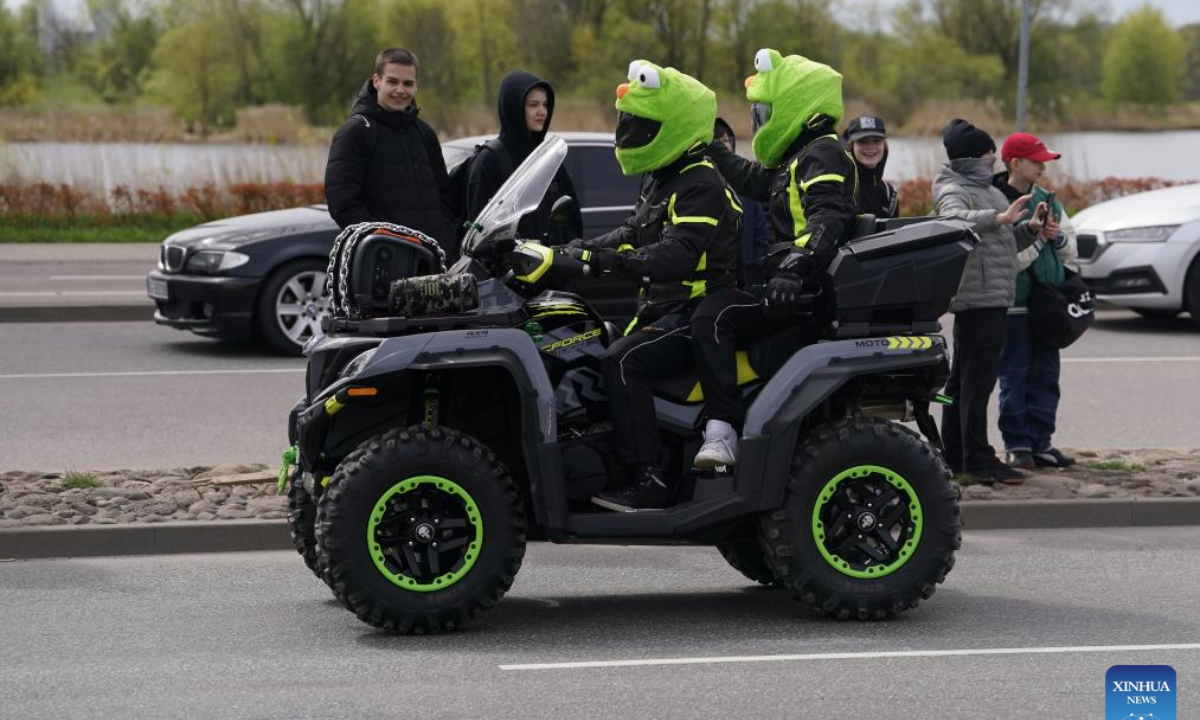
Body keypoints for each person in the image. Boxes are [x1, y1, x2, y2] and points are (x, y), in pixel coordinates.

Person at [560, 60, 741, 511]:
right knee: (580, 340)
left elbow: (674, 256)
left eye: (640, 124)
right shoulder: (665, 176)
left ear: (672, 125)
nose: (630, 131)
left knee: (623, 362)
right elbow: (630, 233)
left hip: (695, 305)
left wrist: (607, 263)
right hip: (661, 307)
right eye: (628, 122)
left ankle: (649, 476)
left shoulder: (700, 181)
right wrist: (572, 250)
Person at [692, 48, 858, 468]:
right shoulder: (799, 156)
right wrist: (712, 150)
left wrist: (795, 269)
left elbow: (828, 219)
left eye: (766, 111)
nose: (760, 122)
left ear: (798, 107)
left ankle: (722, 431)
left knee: (712, 316)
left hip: (805, 288)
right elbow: (756, 181)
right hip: (790, 280)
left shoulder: (823, 154)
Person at [933, 118, 1047, 485]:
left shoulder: (987, 188)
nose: (992, 161)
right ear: (967, 159)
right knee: (974, 384)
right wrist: (997, 217)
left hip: (994, 295)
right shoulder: (953, 186)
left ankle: (955, 454)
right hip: (977, 299)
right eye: (985, 155)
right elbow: (952, 220)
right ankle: (977, 460)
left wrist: (1028, 229)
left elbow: (1003, 244)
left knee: (963, 384)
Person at [993, 132, 1078, 470]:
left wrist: (1054, 238)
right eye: (1036, 160)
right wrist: (1038, 239)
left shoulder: (1048, 198)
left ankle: (1041, 442)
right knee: (1014, 374)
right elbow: (1005, 259)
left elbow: (1071, 249)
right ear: (1016, 163)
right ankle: (1016, 444)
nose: (1043, 165)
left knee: (1045, 374)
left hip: (1047, 306)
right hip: (1013, 305)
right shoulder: (998, 201)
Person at [324, 48, 456, 257]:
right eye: (392, 82)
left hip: (433, 257)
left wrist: (445, 237)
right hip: (384, 262)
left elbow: (444, 194)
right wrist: (383, 243)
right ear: (377, 81)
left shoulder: (425, 133)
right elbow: (342, 203)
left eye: (408, 83)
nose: (400, 90)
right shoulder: (355, 133)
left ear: (416, 86)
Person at [466, 70, 580, 245]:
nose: (542, 111)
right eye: (533, 105)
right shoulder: (489, 160)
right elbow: (479, 232)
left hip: (554, 266)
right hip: (509, 269)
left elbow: (571, 219)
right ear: (513, 107)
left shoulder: (547, 156)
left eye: (545, 104)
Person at [713, 117, 771, 281]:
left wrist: (759, 265)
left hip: (747, 273)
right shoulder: (702, 185)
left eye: (726, 140)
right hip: (717, 276)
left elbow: (761, 232)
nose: (724, 145)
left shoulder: (746, 184)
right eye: (717, 141)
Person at [843, 114, 898, 218]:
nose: (870, 147)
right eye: (862, 141)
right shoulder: (840, 187)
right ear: (851, 145)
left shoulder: (889, 193)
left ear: (884, 145)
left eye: (876, 141)